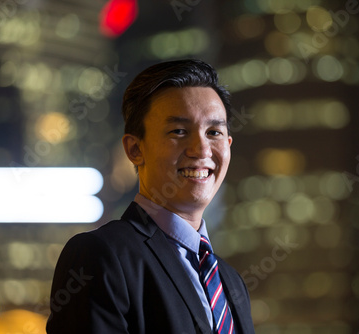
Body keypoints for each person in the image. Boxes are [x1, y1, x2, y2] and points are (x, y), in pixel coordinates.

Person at [46, 59, 255, 334]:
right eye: (179, 131)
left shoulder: (230, 281)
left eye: (214, 132)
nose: (202, 149)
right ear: (135, 149)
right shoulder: (99, 256)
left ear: (228, 145)